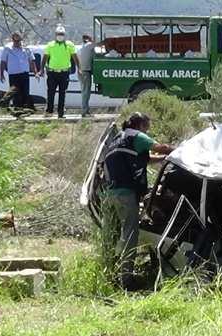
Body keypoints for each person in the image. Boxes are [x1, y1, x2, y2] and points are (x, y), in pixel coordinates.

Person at [102, 112, 176, 291]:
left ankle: (108, 273)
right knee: (129, 236)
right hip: (125, 194)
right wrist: (181, 151)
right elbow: (162, 148)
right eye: (147, 127)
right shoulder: (138, 136)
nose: (147, 131)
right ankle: (126, 281)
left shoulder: (118, 139)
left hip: (109, 194)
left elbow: (147, 159)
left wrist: (164, 160)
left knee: (111, 236)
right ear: (142, 125)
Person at [39, 25, 81, 118]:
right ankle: (49, 111)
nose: (60, 36)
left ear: (65, 34)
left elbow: (75, 58)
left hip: (64, 73)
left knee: (63, 93)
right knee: (51, 92)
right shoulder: (50, 45)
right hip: (52, 72)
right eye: (59, 34)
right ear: (55, 34)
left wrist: (79, 69)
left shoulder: (70, 45)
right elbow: (45, 57)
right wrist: (41, 69)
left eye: (62, 34)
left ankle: (60, 112)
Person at [0, 32, 40, 112]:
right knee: (15, 94)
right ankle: (17, 111)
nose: (17, 42)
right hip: (13, 75)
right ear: (13, 40)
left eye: (19, 40)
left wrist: (35, 72)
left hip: (24, 74)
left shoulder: (26, 48)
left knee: (25, 92)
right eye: (16, 40)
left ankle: (26, 110)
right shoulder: (7, 48)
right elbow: (3, 61)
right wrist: (1, 74)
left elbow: (31, 61)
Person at [78, 33, 96, 117]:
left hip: (82, 71)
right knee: (86, 92)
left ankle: (86, 110)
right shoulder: (89, 45)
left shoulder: (82, 46)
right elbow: (98, 49)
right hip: (85, 71)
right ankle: (85, 111)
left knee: (84, 91)